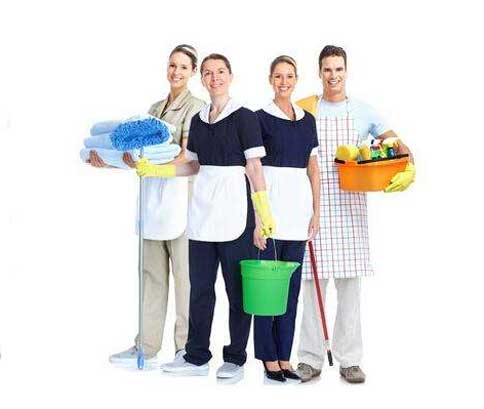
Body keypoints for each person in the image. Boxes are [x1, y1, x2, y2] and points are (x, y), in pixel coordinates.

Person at [136, 53, 276, 379]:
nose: (215, 78)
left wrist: (263, 213)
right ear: (203, 79)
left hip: (235, 213)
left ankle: (235, 358)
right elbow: (193, 165)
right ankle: (196, 356)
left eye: (221, 72)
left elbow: (254, 168)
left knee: (237, 291)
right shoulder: (199, 119)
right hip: (201, 214)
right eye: (209, 73)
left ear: (231, 76)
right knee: (199, 289)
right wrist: (158, 170)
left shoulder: (245, 117)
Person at [295, 45, 415, 383]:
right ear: (319, 73)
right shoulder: (305, 109)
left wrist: (409, 167)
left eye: (339, 69)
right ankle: (309, 359)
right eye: (327, 69)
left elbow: (400, 147)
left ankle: (349, 360)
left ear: (346, 71)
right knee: (312, 286)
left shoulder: (363, 112)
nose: (333, 75)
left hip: (350, 209)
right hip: (313, 206)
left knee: (350, 289)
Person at [89, 44, 205, 364]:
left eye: (183, 67)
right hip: (152, 203)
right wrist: (111, 161)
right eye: (172, 65)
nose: (176, 72)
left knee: (185, 279)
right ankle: (146, 345)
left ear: (193, 72)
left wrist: (152, 160)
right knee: (151, 277)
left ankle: (186, 349)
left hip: (181, 203)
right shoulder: (154, 109)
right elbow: (138, 155)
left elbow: (189, 155)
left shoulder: (196, 107)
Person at [253, 56, 320, 382]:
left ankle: (284, 357)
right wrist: (258, 219)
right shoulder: (259, 118)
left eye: (289, 76)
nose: (284, 82)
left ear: (296, 79)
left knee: (291, 291)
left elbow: (313, 169)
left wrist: (316, 211)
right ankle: (267, 357)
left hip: (299, 214)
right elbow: (252, 171)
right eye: (278, 76)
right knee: (268, 288)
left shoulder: (308, 120)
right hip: (271, 213)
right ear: (270, 79)